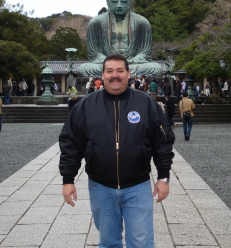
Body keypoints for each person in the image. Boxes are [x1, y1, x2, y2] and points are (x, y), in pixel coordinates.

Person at [59, 53, 174, 247]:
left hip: (137, 185)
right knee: (108, 241)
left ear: (128, 73)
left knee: (141, 241)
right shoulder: (86, 106)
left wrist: (163, 178)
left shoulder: (145, 103)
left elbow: (162, 142)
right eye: (109, 71)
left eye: (120, 71)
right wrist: (68, 180)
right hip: (101, 186)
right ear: (101, 75)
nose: (115, 75)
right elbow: (71, 143)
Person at [77, 0, 162, 77]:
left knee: (155, 68)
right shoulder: (96, 23)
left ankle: (115, 71)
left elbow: (145, 54)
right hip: (106, 64)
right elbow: (94, 54)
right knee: (84, 68)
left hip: (132, 64)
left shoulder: (142, 22)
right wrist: (110, 62)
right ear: (107, 1)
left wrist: (130, 61)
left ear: (130, 1)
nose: (119, 5)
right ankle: (120, 71)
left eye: (124, 1)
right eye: (114, 2)